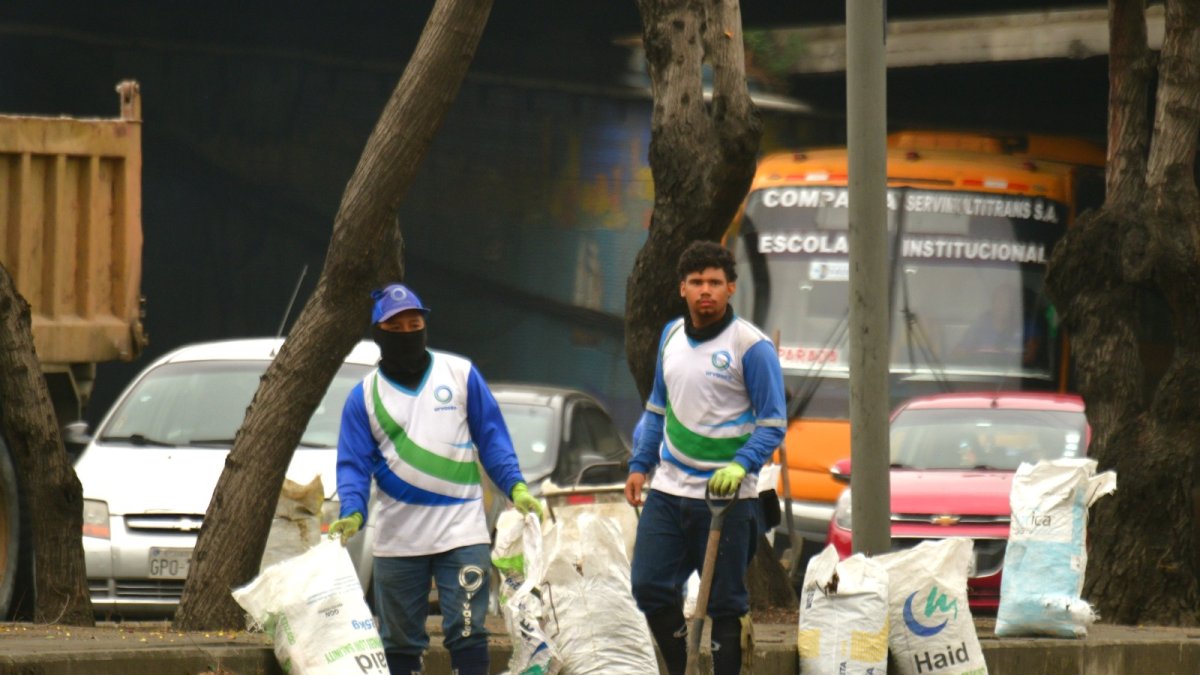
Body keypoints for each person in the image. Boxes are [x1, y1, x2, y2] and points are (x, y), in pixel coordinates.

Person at [328, 283, 543, 675]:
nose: (408, 333)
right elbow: (353, 466)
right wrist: (354, 511)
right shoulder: (363, 397)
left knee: (467, 630)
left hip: (461, 533)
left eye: (415, 323)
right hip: (397, 541)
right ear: (379, 335)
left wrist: (516, 487)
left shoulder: (460, 374)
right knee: (399, 640)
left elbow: (492, 439)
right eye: (397, 328)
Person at [624, 241, 786, 675]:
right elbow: (658, 407)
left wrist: (740, 465)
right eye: (696, 282)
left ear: (731, 287)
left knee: (725, 603)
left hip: (728, 498)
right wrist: (640, 464)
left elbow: (773, 424)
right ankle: (684, 667)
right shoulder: (670, 337)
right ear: (682, 289)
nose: (705, 291)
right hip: (669, 490)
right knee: (649, 586)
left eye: (715, 282)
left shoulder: (751, 347)